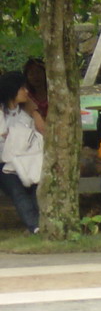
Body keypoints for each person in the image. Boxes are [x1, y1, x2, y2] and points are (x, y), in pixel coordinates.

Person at [0, 71, 44, 233]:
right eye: (22, 88)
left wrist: (35, 113)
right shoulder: (2, 114)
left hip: (27, 163)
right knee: (17, 190)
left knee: (36, 189)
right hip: (5, 165)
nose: (26, 92)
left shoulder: (25, 114)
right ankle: (35, 226)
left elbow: (40, 133)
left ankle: (38, 223)